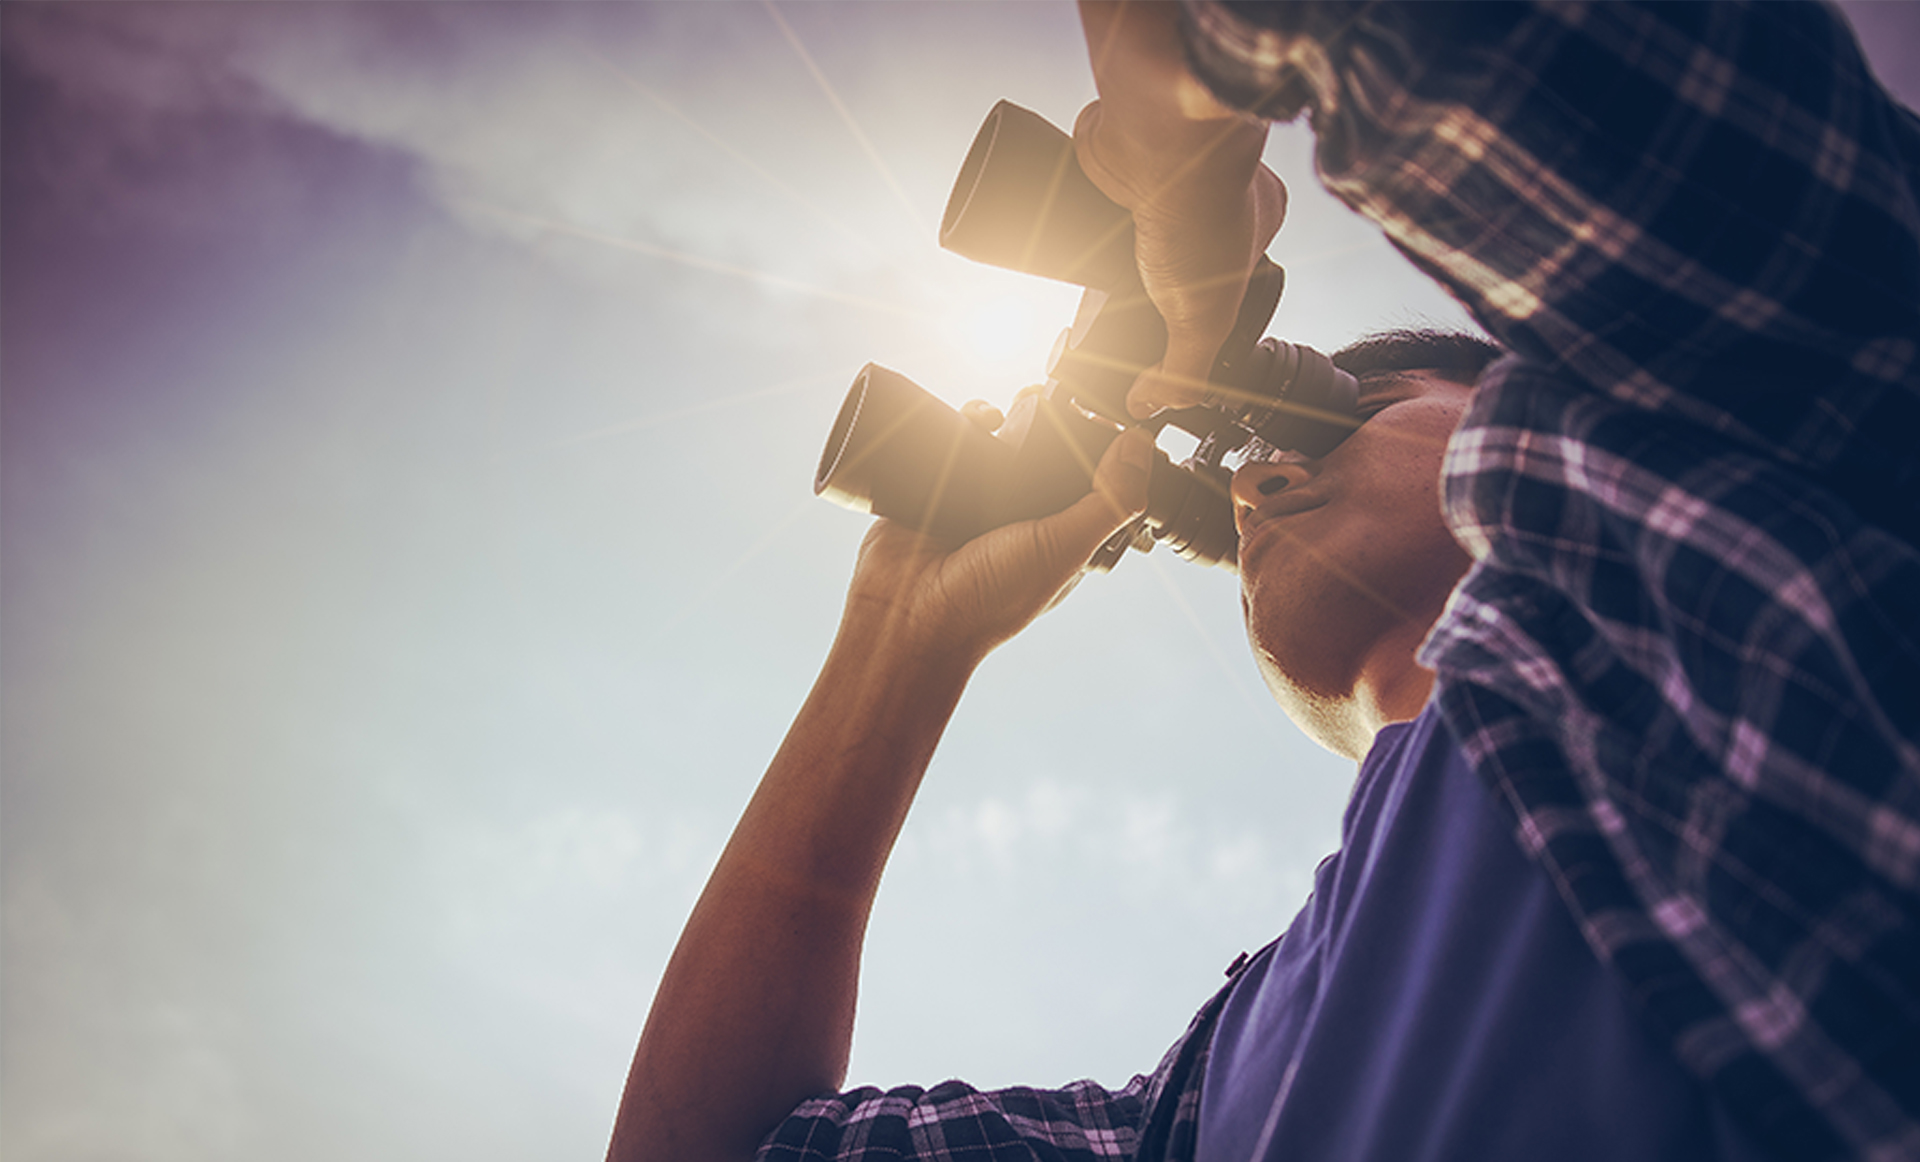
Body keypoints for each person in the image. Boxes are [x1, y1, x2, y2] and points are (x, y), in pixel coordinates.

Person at [608, 2, 1920, 1160]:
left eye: (1346, 405)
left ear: (1524, 394)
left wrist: (1184, 155)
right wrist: (902, 642)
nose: (1254, 481)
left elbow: (1581, 71)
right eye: (1232, 497)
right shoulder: (1222, 1089)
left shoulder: (1746, 443)